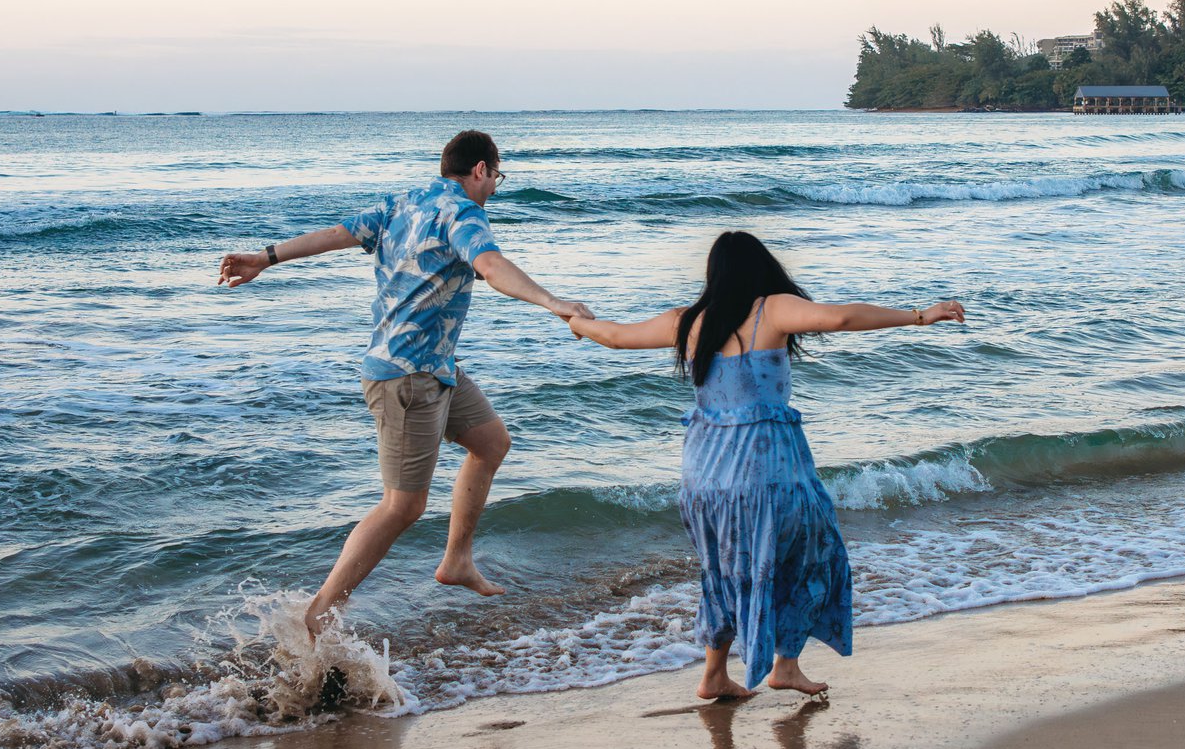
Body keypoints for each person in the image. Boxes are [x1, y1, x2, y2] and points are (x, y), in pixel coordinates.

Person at [218, 130, 593, 638]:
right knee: (403, 505)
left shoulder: (402, 203)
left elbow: (335, 234)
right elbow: (491, 266)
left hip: (436, 368)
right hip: (408, 378)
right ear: (480, 170)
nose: (494, 188)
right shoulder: (462, 213)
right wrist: (555, 303)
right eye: (496, 177)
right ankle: (322, 610)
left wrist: (267, 256)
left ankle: (457, 560)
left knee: (491, 442)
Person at [568, 231, 963, 699]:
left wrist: (578, 323)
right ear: (762, 268)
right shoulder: (771, 310)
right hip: (767, 470)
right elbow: (840, 317)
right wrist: (918, 316)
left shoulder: (687, 321)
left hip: (704, 477)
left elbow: (615, 337)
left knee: (724, 570)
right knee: (814, 553)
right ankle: (785, 665)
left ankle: (715, 675)